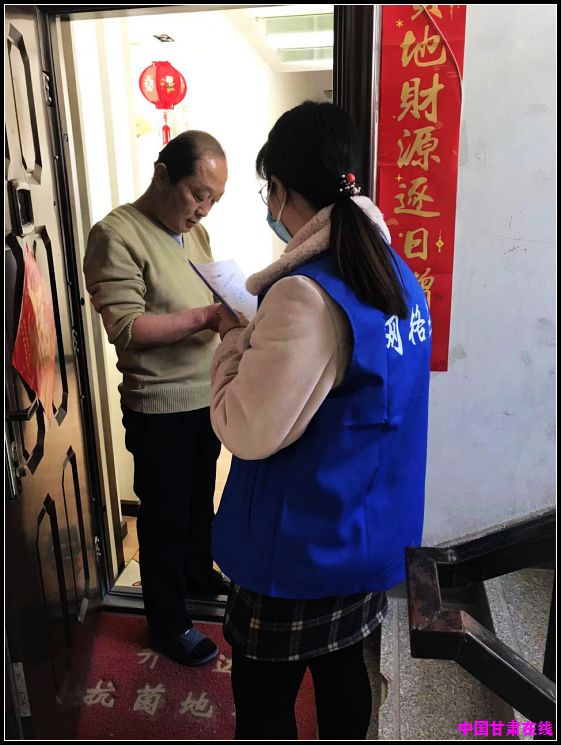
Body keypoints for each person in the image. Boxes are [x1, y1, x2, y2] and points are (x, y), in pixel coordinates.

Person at [209, 102, 431, 739]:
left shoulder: (304, 294)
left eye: (267, 192)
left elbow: (246, 427)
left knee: (263, 698)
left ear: (280, 189)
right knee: (342, 671)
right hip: (362, 528)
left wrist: (234, 342)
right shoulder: (391, 271)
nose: (270, 207)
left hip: (298, 546)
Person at [84, 130, 230, 667]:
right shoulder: (116, 234)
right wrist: (208, 316)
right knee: (165, 515)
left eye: (214, 199)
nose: (203, 209)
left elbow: (209, 295)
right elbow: (127, 327)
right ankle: (168, 624)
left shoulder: (196, 234)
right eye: (198, 193)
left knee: (197, 501)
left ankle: (198, 575)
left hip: (203, 395)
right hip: (158, 406)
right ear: (162, 174)